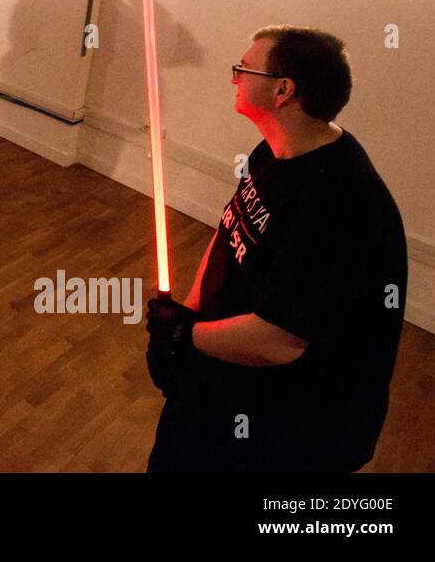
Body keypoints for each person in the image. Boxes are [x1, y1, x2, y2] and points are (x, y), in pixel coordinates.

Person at [145, 26, 408, 472]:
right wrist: (189, 313)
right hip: (227, 374)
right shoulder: (275, 149)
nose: (234, 77)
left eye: (244, 68)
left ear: (283, 90)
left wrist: (183, 337)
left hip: (290, 427)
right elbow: (231, 231)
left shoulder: (342, 204)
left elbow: (278, 341)